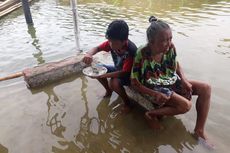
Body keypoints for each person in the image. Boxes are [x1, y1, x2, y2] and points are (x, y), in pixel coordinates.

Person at [131, 16, 211, 142]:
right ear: (151, 42)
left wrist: (184, 79)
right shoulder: (142, 53)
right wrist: (154, 93)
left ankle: (199, 130)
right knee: (186, 106)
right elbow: (134, 82)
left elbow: (176, 64)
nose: (168, 43)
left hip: (170, 80)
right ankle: (150, 115)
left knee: (205, 88)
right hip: (154, 86)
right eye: (164, 40)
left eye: (170, 38)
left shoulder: (170, 47)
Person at [82, 19, 137, 112]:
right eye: (109, 41)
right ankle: (108, 90)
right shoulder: (113, 42)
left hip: (130, 75)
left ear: (124, 41)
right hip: (118, 69)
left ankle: (127, 103)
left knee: (113, 82)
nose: (111, 45)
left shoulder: (131, 50)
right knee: (97, 69)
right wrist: (89, 54)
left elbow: (124, 73)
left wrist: (106, 75)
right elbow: (97, 48)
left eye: (114, 43)